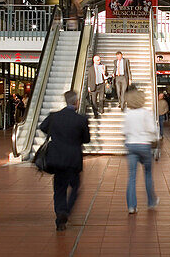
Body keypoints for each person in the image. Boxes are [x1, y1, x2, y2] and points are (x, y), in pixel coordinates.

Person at [39, 90, 91, 231]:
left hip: (56, 158)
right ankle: (67, 210)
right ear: (76, 102)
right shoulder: (81, 119)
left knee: (59, 188)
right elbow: (87, 139)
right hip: (73, 159)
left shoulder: (54, 116)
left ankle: (60, 213)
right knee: (75, 186)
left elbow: (43, 127)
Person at [123, 87, 159, 213]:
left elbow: (124, 131)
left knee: (132, 176)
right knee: (148, 174)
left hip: (131, 145)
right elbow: (152, 129)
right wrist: (155, 139)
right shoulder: (145, 113)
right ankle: (151, 201)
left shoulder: (128, 113)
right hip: (144, 145)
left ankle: (132, 206)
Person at [86, 55, 106, 119]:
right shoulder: (91, 68)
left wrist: (104, 72)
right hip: (93, 85)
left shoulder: (102, 67)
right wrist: (88, 86)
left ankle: (101, 109)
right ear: (94, 61)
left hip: (101, 85)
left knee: (101, 98)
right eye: (98, 60)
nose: (99, 61)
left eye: (99, 60)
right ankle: (95, 113)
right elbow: (89, 78)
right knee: (94, 101)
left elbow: (106, 75)